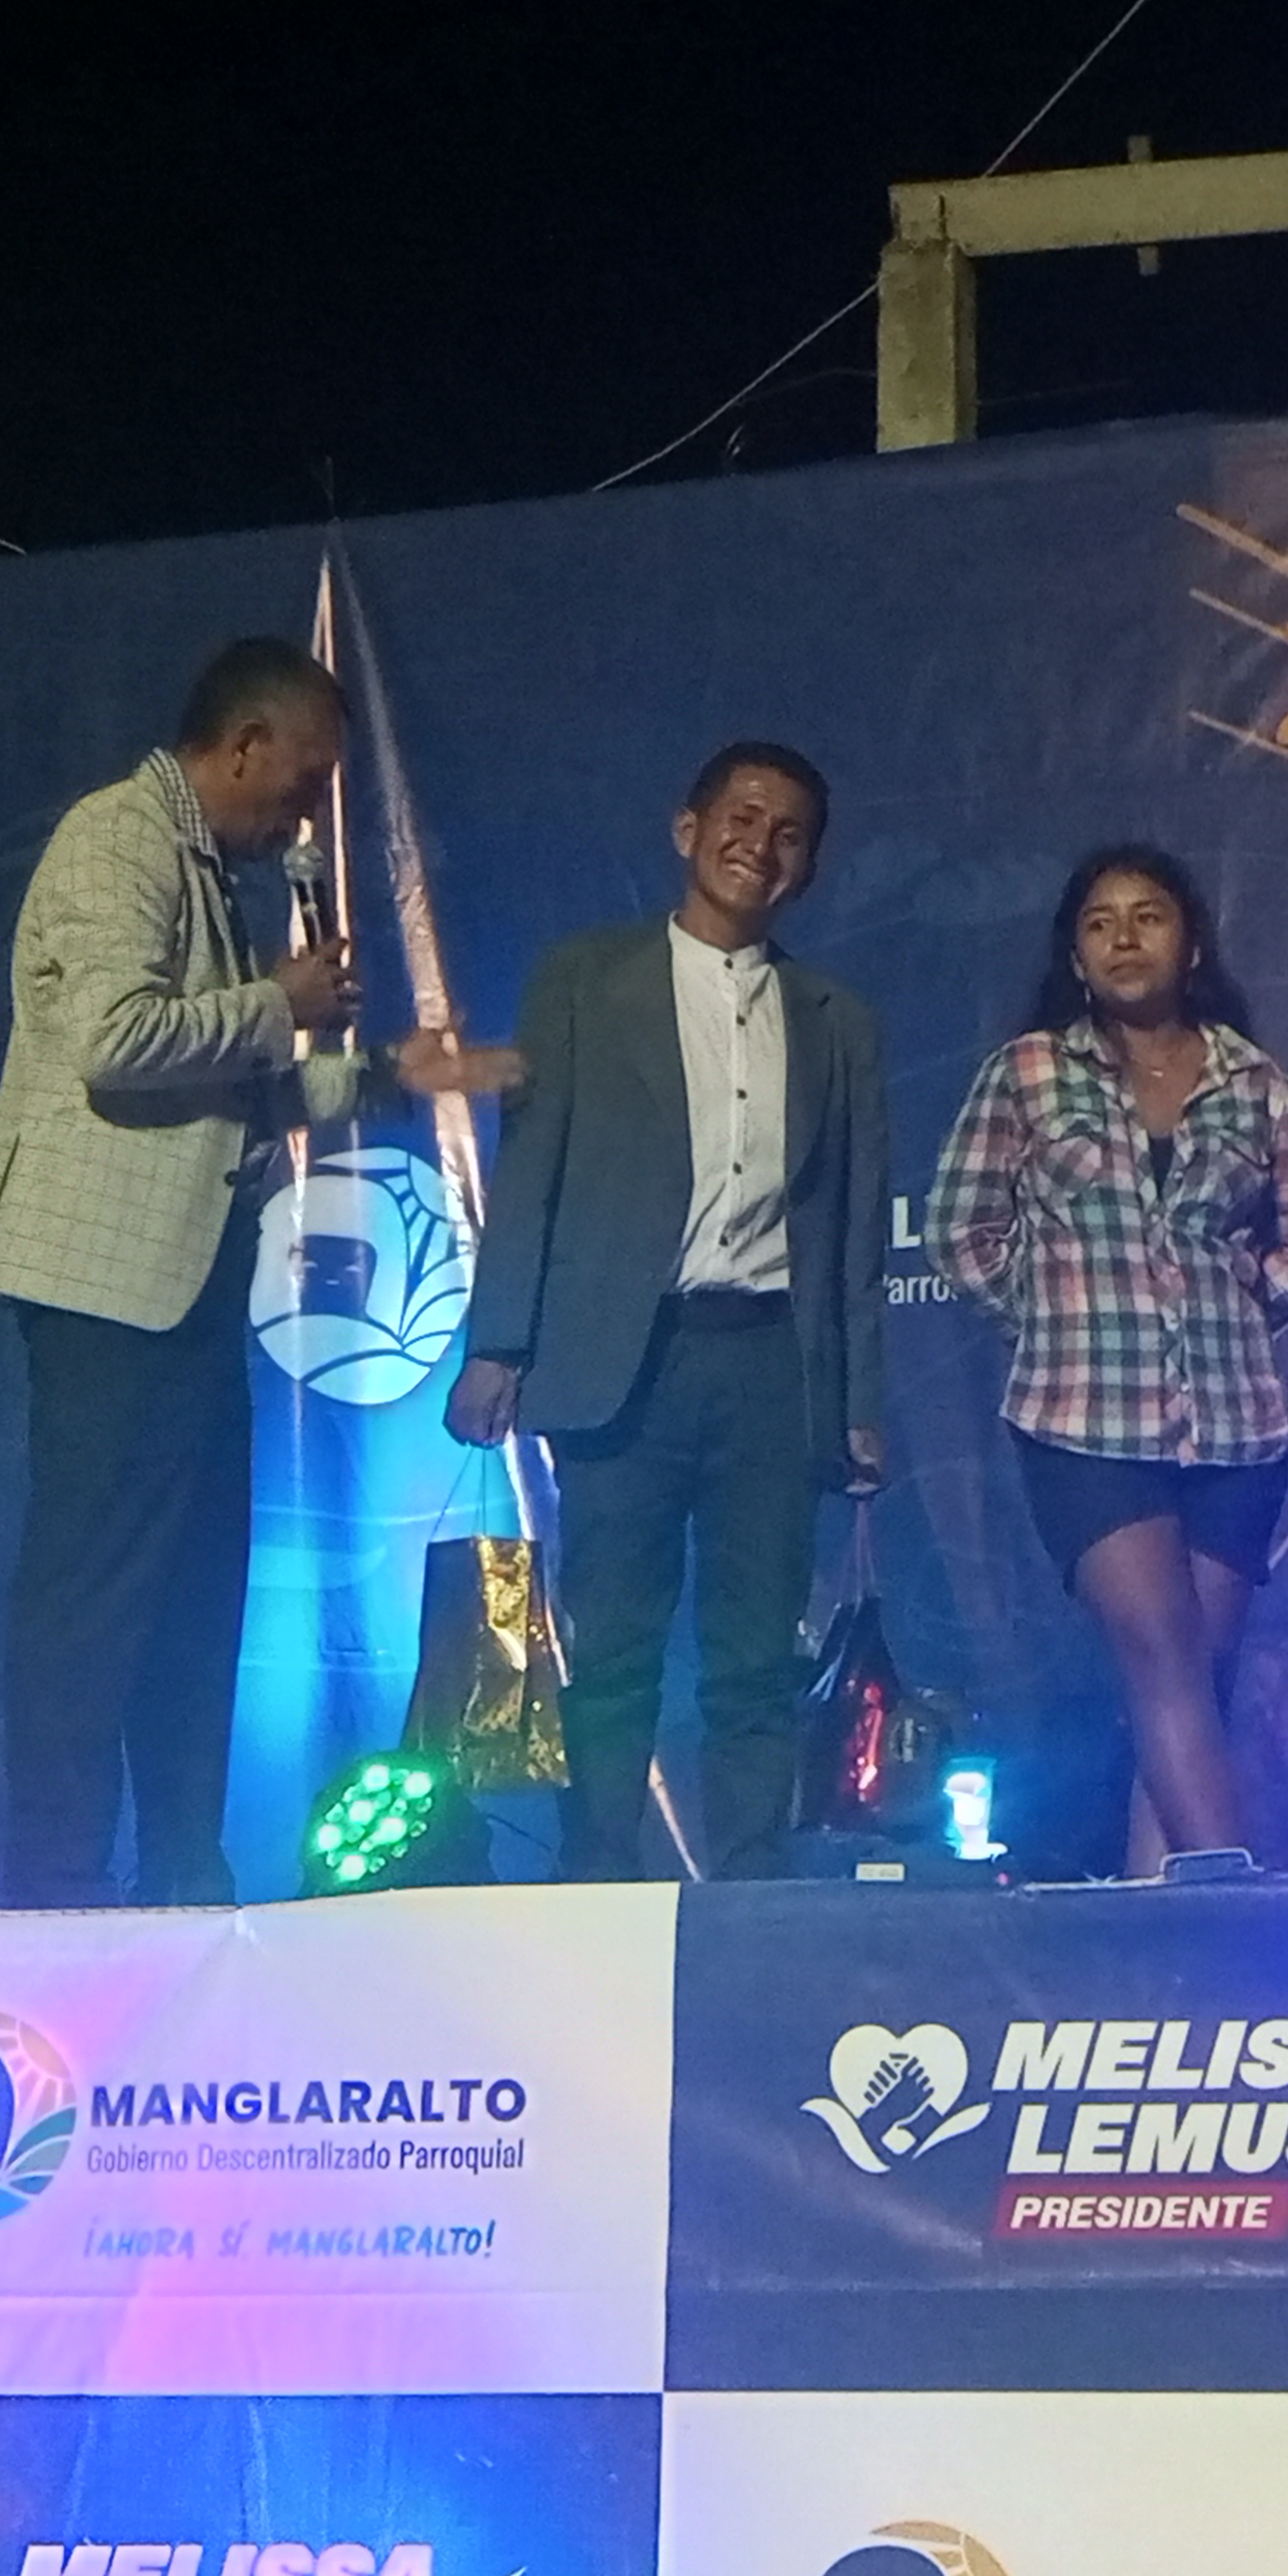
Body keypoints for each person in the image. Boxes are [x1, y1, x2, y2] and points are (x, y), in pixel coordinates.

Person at [0, 638, 517, 1904]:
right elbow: (115, 1041)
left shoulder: (200, 866)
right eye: (304, 778)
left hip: (188, 1290)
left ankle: (183, 1872)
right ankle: (51, 1885)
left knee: (194, 1598)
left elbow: (223, 1088)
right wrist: (278, 998)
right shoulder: (119, 838)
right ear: (245, 744)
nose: (304, 814)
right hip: (106, 1292)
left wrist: (386, 1076)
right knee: (92, 1598)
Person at [447, 742, 889, 1881]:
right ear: (686, 829)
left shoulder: (834, 1018)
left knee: (755, 1655)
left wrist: (856, 1401)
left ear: (809, 867)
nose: (760, 844)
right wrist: (499, 1343)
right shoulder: (584, 978)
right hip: (621, 1361)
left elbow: (847, 1227)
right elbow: (531, 1165)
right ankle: (596, 1879)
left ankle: (748, 1884)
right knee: (612, 1647)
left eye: (788, 833)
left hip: (769, 1366)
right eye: (741, 817)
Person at [926, 846, 1288, 1876]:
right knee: (1159, 1654)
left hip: (1235, 1424)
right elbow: (959, 1229)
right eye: (1100, 922)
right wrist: (1055, 1312)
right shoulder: (1028, 1073)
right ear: (1075, 955)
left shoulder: (1253, 1080)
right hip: (1083, 1418)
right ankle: (1233, 1896)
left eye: (1147, 916)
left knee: (1200, 1675)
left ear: (1188, 945)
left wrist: (1237, 1297)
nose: (1123, 938)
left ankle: (1159, 1919)